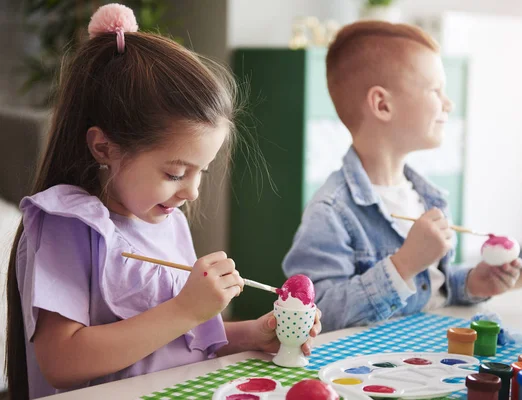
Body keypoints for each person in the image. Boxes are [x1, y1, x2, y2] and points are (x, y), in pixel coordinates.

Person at [5, 4, 320, 398]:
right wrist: (186, 309)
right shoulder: (67, 223)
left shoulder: (168, 221)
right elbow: (62, 363)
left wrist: (253, 334)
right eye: (175, 173)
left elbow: (175, 346)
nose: (192, 192)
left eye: (201, 171)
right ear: (104, 147)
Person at [282, 21, 522, 332]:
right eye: (435, 90)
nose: (448, 103)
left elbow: (430, 286)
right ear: (382, 104)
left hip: (425, 352)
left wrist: (473, 283)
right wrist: (404, 264)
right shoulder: (332, 210)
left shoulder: (427, 197)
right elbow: (313, 310)